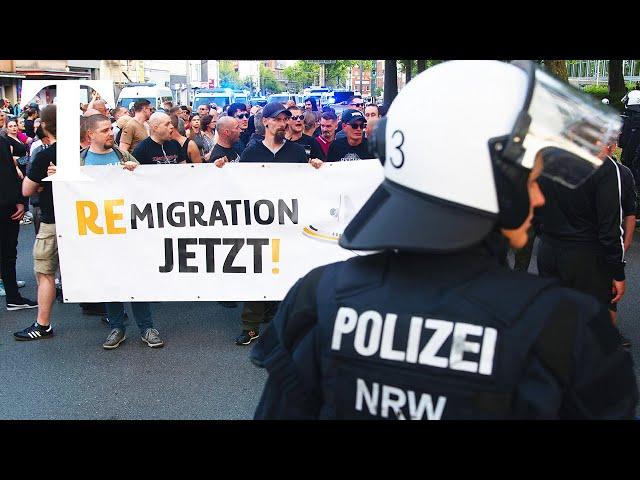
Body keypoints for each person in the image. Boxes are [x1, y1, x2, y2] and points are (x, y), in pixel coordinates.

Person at [250, 60, 638, 419]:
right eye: (534, 179)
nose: (539, 198)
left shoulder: (317, 298)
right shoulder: (565, 328)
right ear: (482, 172)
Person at [234, 102, 315, 345]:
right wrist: (219, 171)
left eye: (285, 119)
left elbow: (307, 187)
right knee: (258, 272)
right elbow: (237, 187)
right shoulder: (251, 154)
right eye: (278, 119)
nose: (283, 123)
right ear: (266, 122)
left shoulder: (297, 152)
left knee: (291, 273)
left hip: (289, 225)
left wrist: (317, 171)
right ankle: (250, 326)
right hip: (260, 227)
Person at [14, 105, 60, 340]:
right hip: (85, 218)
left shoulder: (45, 155)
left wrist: (43, 181)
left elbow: (27, 188)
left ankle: (43, 324)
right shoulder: (81, 151)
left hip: (52, 219)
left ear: (43, 125)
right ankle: (111, 314)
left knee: (44, 272)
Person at [0, 134, 36, 310]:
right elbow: (7, 172)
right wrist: (19, 201)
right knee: (7, 252)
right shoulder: (2, 141)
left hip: (6, 202)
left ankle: (13, 296)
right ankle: (13, 296)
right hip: (4, 204)